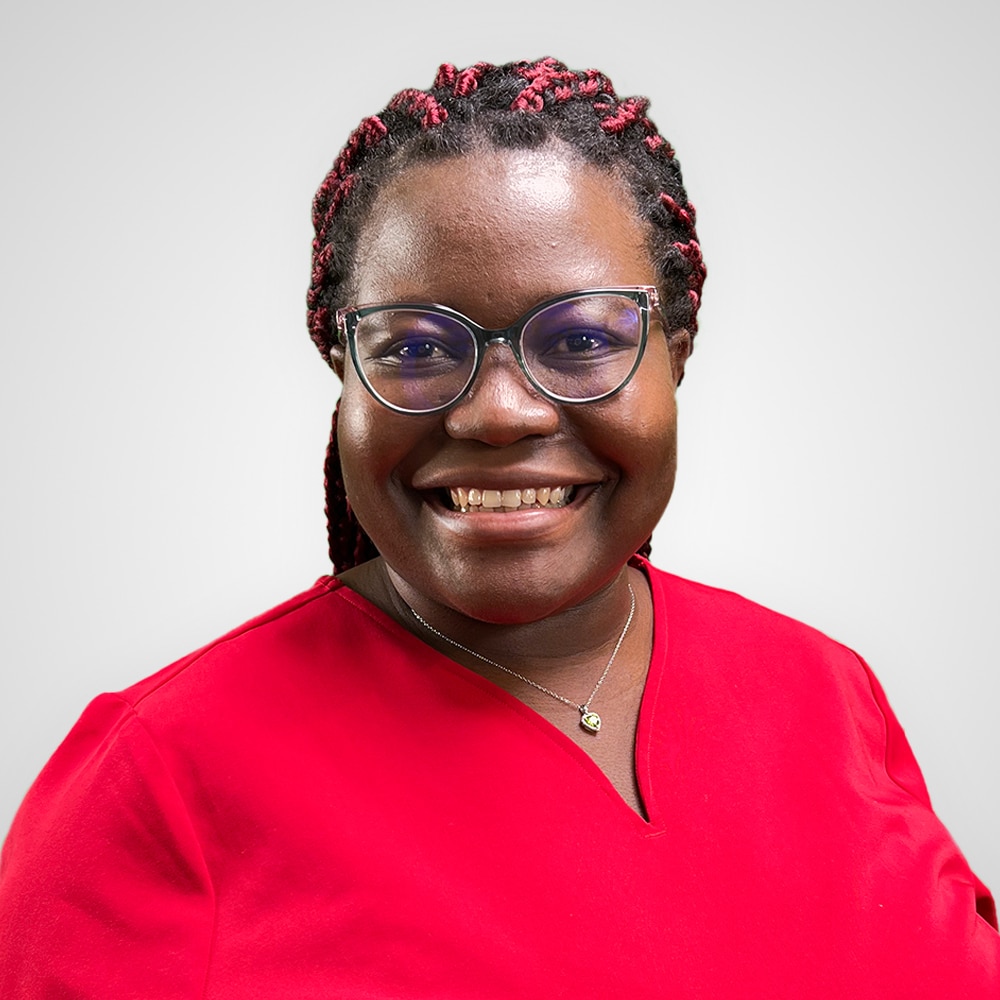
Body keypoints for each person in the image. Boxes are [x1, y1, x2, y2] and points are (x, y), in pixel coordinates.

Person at [1, 57, 997, 998]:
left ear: (675, 355)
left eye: (579, 339)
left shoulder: (825, 689)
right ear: (344, 375)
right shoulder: (157, 779)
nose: (498, 413)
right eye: (418, 347)